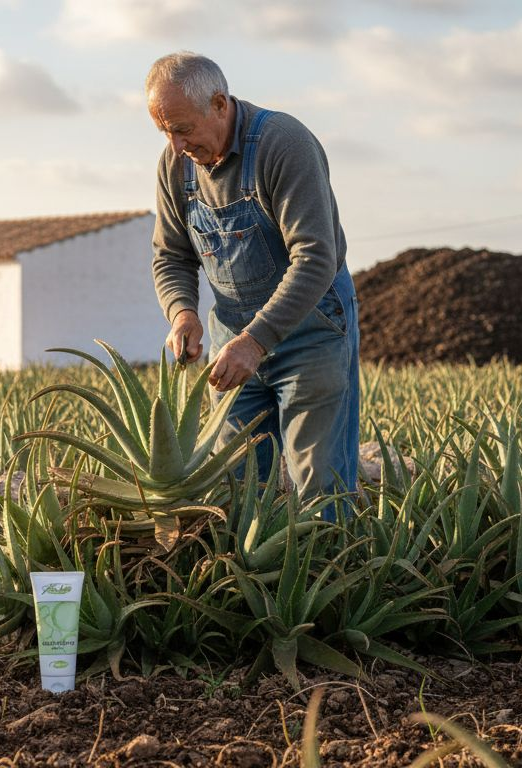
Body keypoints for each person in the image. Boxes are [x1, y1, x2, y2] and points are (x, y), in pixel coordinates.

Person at [146, 51, 359, 517]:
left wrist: (257, 341)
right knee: (235, 484)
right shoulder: (176, 166)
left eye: (182, 129)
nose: (176, 144)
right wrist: (182, 311)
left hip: (311, 331)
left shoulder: (284, 144)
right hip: (231, 343)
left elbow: (315, 257)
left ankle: (338, 579)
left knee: (320, 485)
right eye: (165, 131)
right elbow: (172, 255)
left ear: (219, 104)